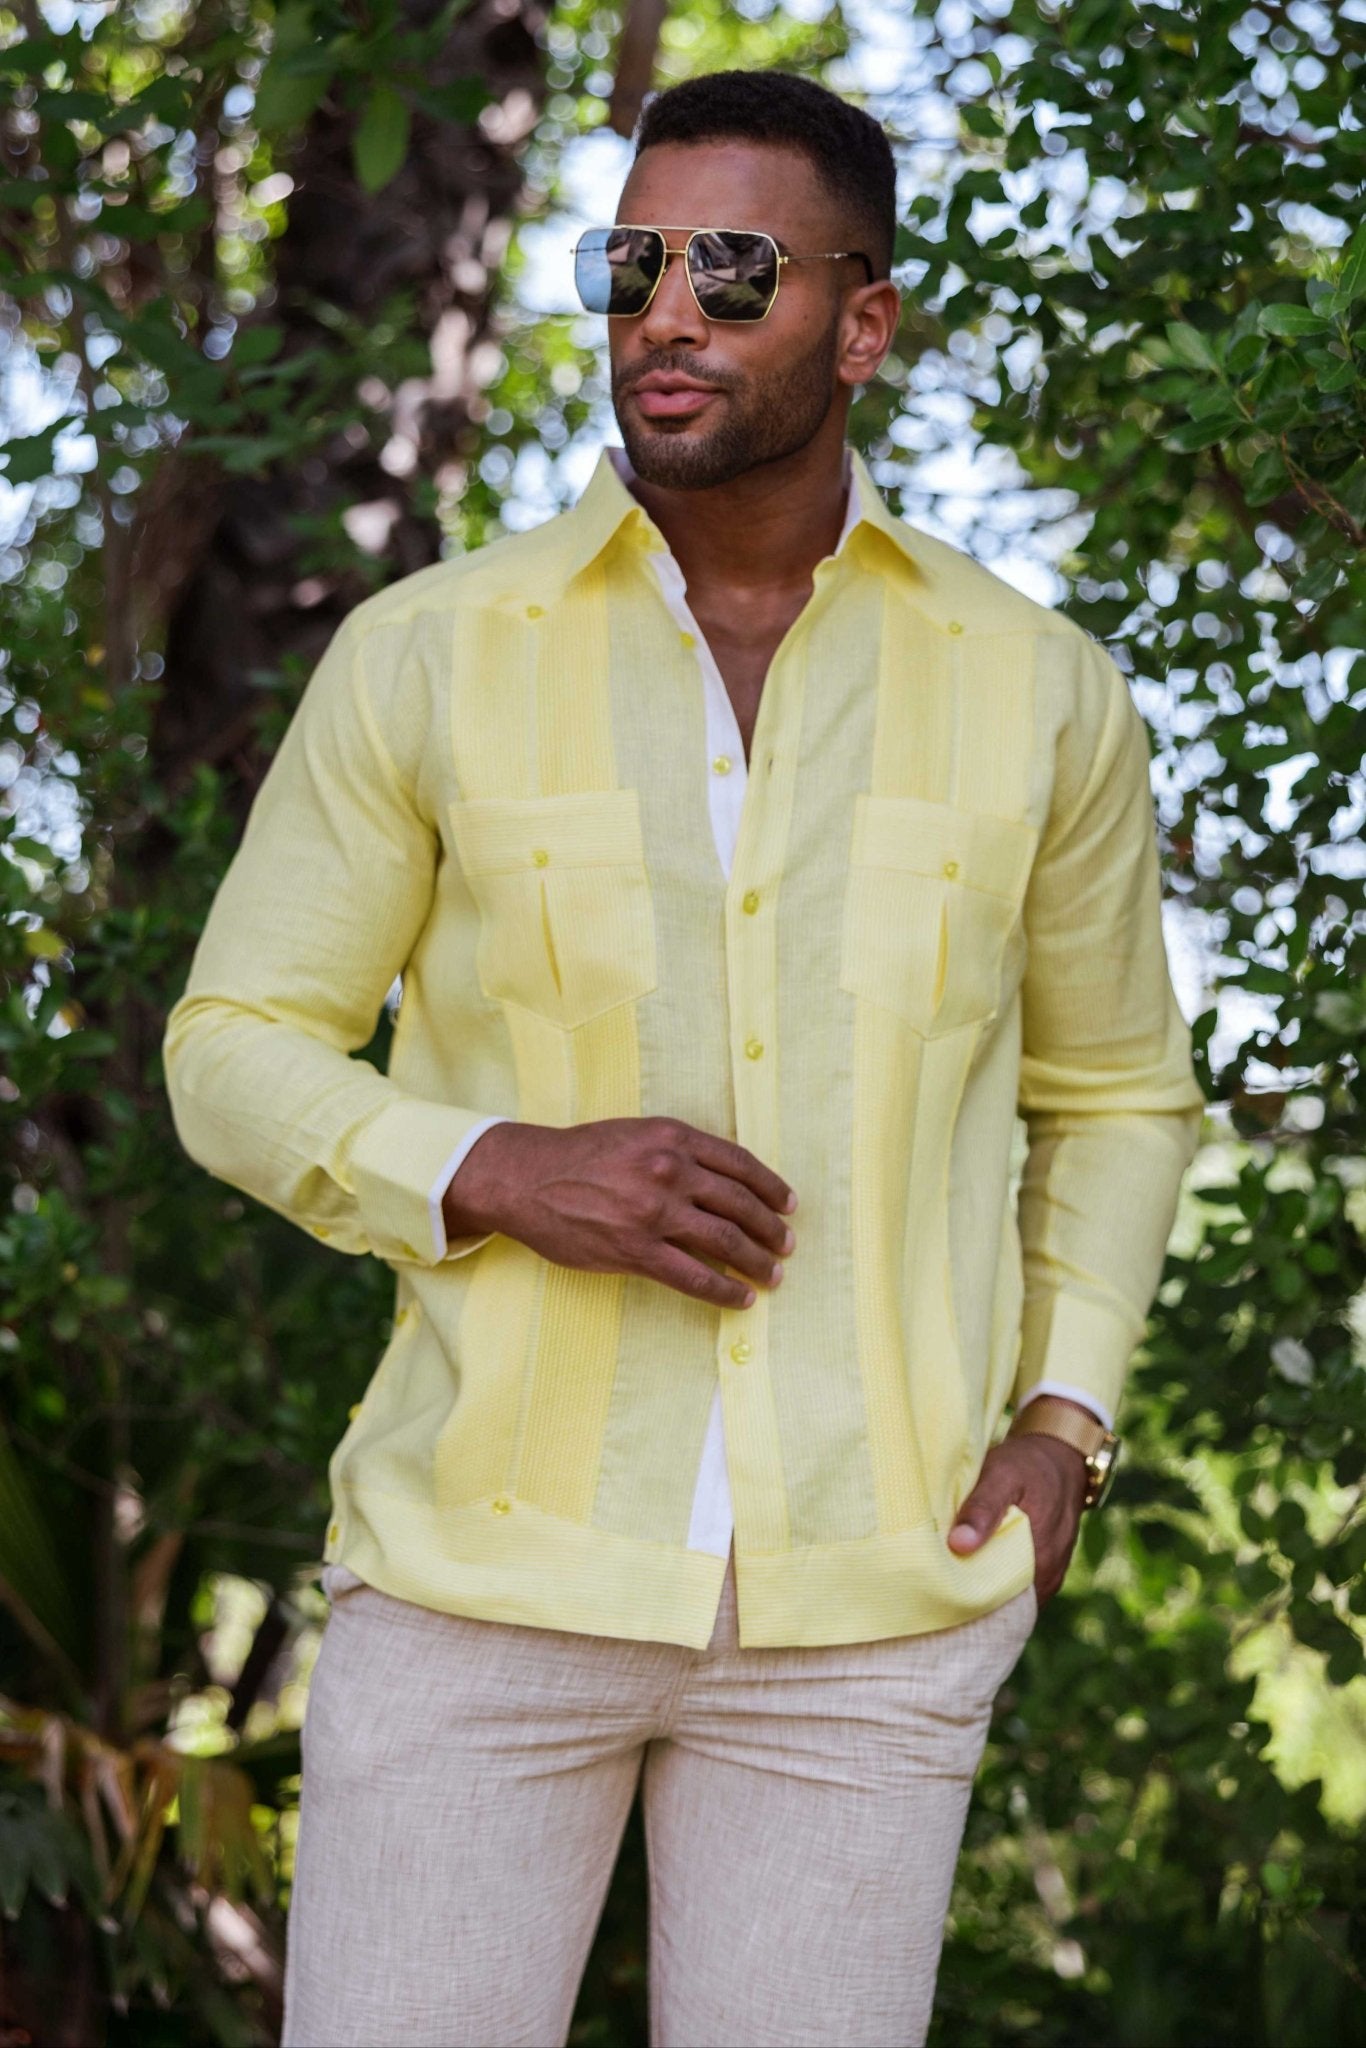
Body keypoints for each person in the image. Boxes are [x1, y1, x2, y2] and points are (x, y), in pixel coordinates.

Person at [161, 66, 1204, 2048]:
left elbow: (1119, 1094)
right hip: (478, 1587)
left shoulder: (1037, 695)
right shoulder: (430, 653)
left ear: (860, 314)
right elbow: (230, 1042)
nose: (664, 312)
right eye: (629, 262)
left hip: (870, 1616)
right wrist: (493, 1169)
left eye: (729, 269)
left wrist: (1063, 1423)